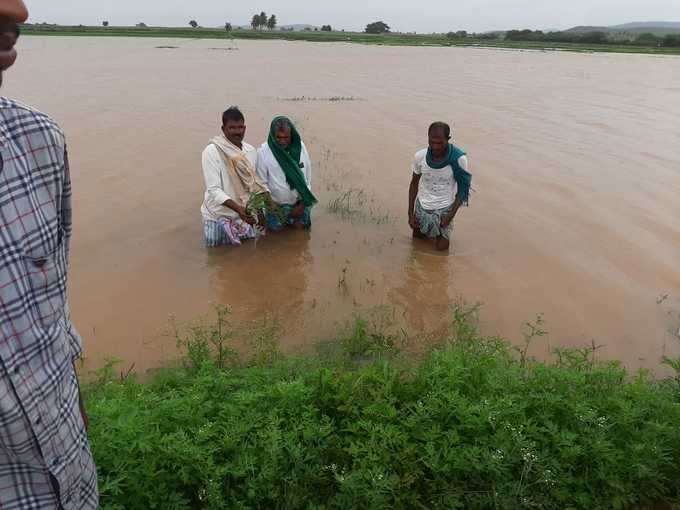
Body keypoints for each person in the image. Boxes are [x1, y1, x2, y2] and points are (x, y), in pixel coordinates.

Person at [0, 1, 99, 508]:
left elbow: (52, 313)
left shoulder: (39, 142)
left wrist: (74, 415)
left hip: (72, 483)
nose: (18, 10)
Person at [201, 106, 269, 246]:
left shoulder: (250, 151)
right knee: (217, 259)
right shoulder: (212, 152)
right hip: (217, 215)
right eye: (232, 128)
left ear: (245, 128)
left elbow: (252, 184)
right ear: (223, 128)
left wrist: (260, 213)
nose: (237, 132)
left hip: (243, 215)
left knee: (247, 255)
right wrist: (239, 209)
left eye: (240, 127)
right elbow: (214, 190)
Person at [407, 121, 472, 251]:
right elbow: (414, 184)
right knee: (416, 246)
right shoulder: (420, 156)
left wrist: (450, 215)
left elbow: (463, 190)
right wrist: (410, 213)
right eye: (431, 142)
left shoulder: (459, 159)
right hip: (422, 208)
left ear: (448, 139)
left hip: (445, 210)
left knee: (441, 250)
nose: (435, 147)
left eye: (440, 143)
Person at [256, 116, 316, 230]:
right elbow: (261, 185)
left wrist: (302, 205)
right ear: (273, 136)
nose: (282, 141)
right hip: (275, 207)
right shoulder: (263, 152)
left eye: (286, 137)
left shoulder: (301, 148)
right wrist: (273, 209)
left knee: (300, 236)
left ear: (291, 135)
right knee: (275, 239)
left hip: (299, 205)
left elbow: (307, 180)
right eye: (278, 137)